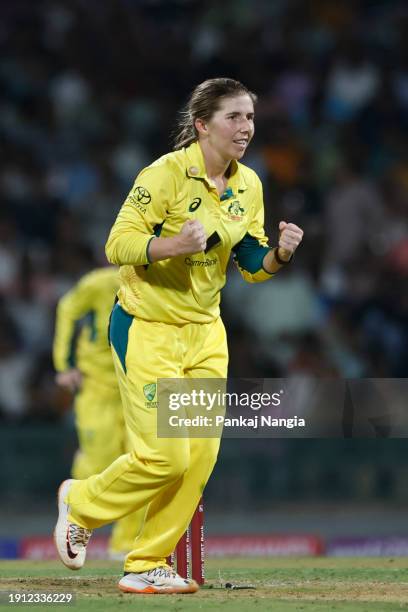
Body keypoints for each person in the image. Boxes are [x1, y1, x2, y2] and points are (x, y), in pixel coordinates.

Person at [54, 78, 304, 594]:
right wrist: (171, 245)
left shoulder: (249, 185)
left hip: (206, 333)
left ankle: (146, 564)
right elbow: (117, 244)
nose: (246, 127)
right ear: (202, 125)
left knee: (200, 458)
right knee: (165, 456)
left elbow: (250, 262)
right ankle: (80, 503)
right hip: (147, 327)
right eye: (234, 117)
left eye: (251, 117)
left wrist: (279, 254)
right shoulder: (163, 175)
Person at [53, 266, 144, 559]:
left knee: (146, 462)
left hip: (140, 382)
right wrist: (63, 365)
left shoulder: (162, 281)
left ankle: (125, 544)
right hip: (98, 384)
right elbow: (67, 308)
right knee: (99, 459)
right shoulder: (99, 283)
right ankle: (74, 515)